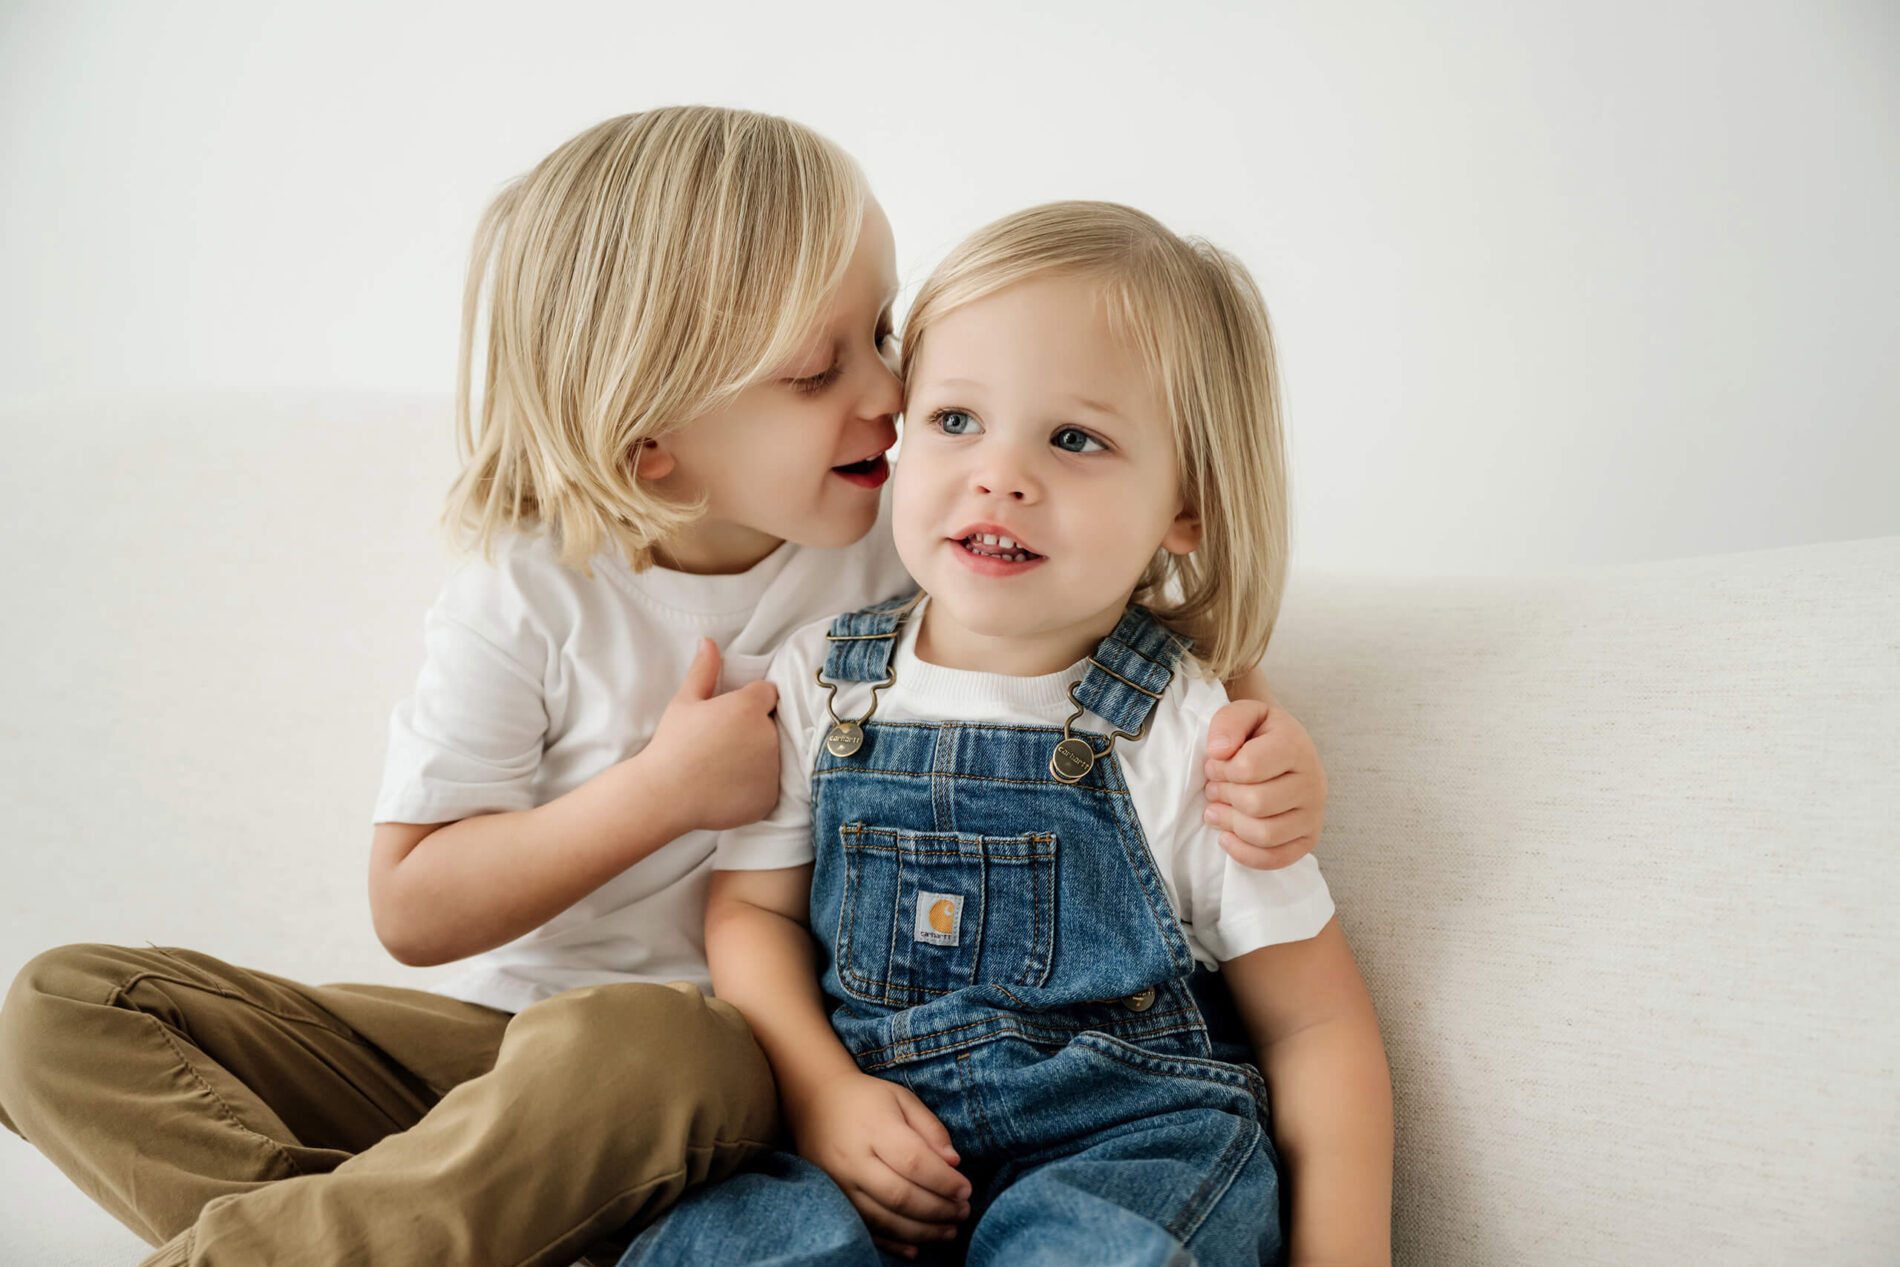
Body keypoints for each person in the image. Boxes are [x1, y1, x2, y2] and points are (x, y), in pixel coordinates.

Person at [0, 112, 1330, 1267]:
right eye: (822, 370)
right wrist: (660, 792)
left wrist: (1261, 723)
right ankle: (431, 1224)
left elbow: (1136, 590)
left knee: (644, 1041)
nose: (892, 391)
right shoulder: (525, 589)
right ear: (657, 439)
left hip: (730, 1061)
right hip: (512, 1072)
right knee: (64, 1009)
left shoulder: (902, 514)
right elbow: (411, 904)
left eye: (882, 332)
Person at [620, 201, 1393, 1267]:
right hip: (860, 1132)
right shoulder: (824, 682)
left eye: (1075, 438)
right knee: (722, 1242)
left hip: (1122, 1142)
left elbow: (1317, 1026)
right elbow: (752, 913)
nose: (1000, 474)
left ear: (1188, 506)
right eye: (953, 421)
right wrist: (823, 1091)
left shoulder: (1191, 731)